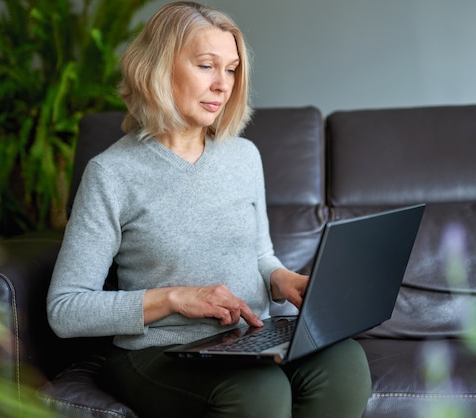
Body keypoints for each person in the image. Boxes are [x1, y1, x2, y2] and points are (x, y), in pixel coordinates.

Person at [47, 2, 371, 417]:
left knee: (345, 364)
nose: (224, 85)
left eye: (232, 69)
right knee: (259, 392)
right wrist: (174, 298)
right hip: (160, 351)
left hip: (246, 340)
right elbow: (66, 309)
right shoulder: (111, 173)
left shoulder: (243, 156)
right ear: (158, 68)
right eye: (206, 66)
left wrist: (283, 279)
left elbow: (259, 255)